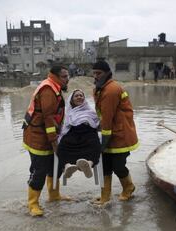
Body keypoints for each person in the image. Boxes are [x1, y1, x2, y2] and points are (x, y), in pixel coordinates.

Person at [22, 65, 70, 217]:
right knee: (39, 170)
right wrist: (55, 143)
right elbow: (48, 120)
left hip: (46, 136)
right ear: (55, 76)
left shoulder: (54, 88)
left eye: (67, 75)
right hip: (38, 138)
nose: (67, 78)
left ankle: (54, 195)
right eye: (64, 76)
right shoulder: (48, 90)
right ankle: (33, 204)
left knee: (55, 166)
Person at [91, 60, 139, 205]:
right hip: (110, 132)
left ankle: (129, 188)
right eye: (94, 73)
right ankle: (105, 197)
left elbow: (107, 116)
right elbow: (101, 115)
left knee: (118, 166)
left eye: (98, 73)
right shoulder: (101, 89)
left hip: (120, 135)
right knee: (105, 166)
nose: (95, 76)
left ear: (107, 73)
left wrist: (102, 143)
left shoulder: (111, 90)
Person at [57, 89, 101, 179]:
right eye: (76, 96)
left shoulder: (91, 111)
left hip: (88, 134)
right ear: (72, 100)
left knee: (96, 145)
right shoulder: (69, 113)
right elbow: (66, 127)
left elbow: (97, 124)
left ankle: (89, 164)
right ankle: (67, 166)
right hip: (73, 134)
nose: (79, 97)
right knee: (62, 146)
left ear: (84, 99)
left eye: (81, 95)